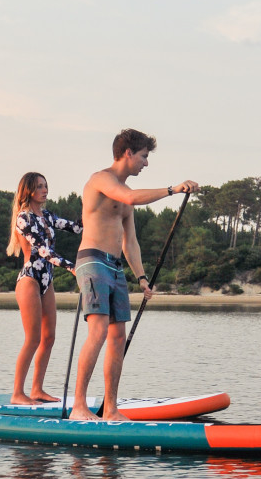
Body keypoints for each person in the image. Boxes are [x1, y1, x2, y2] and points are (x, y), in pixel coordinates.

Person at [69, 129, 198, 421]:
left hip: (115, 267)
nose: (146, 163)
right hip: (92, 261)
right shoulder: (101, 179)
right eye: (144, 156)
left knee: (117, 337)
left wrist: (141, 278)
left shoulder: (126, 200)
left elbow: (130, 242)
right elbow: (130, 197)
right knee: (99, 331)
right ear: (128, 153)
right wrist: (173, 190)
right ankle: (79, 406)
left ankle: (111, 409)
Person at [6, 172, 82, 405]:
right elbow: (42, 250)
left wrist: (97, 210)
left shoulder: (47, 216)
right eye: (39, 186)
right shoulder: (23, 218)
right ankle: (18, 393)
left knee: (49, 337)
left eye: (46, 186)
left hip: (47, 280)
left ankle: (37, 389)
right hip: (30, 279)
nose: (45, 190)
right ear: (28, 190)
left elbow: (76, 228)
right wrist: (71, 267)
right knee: (33, 338)